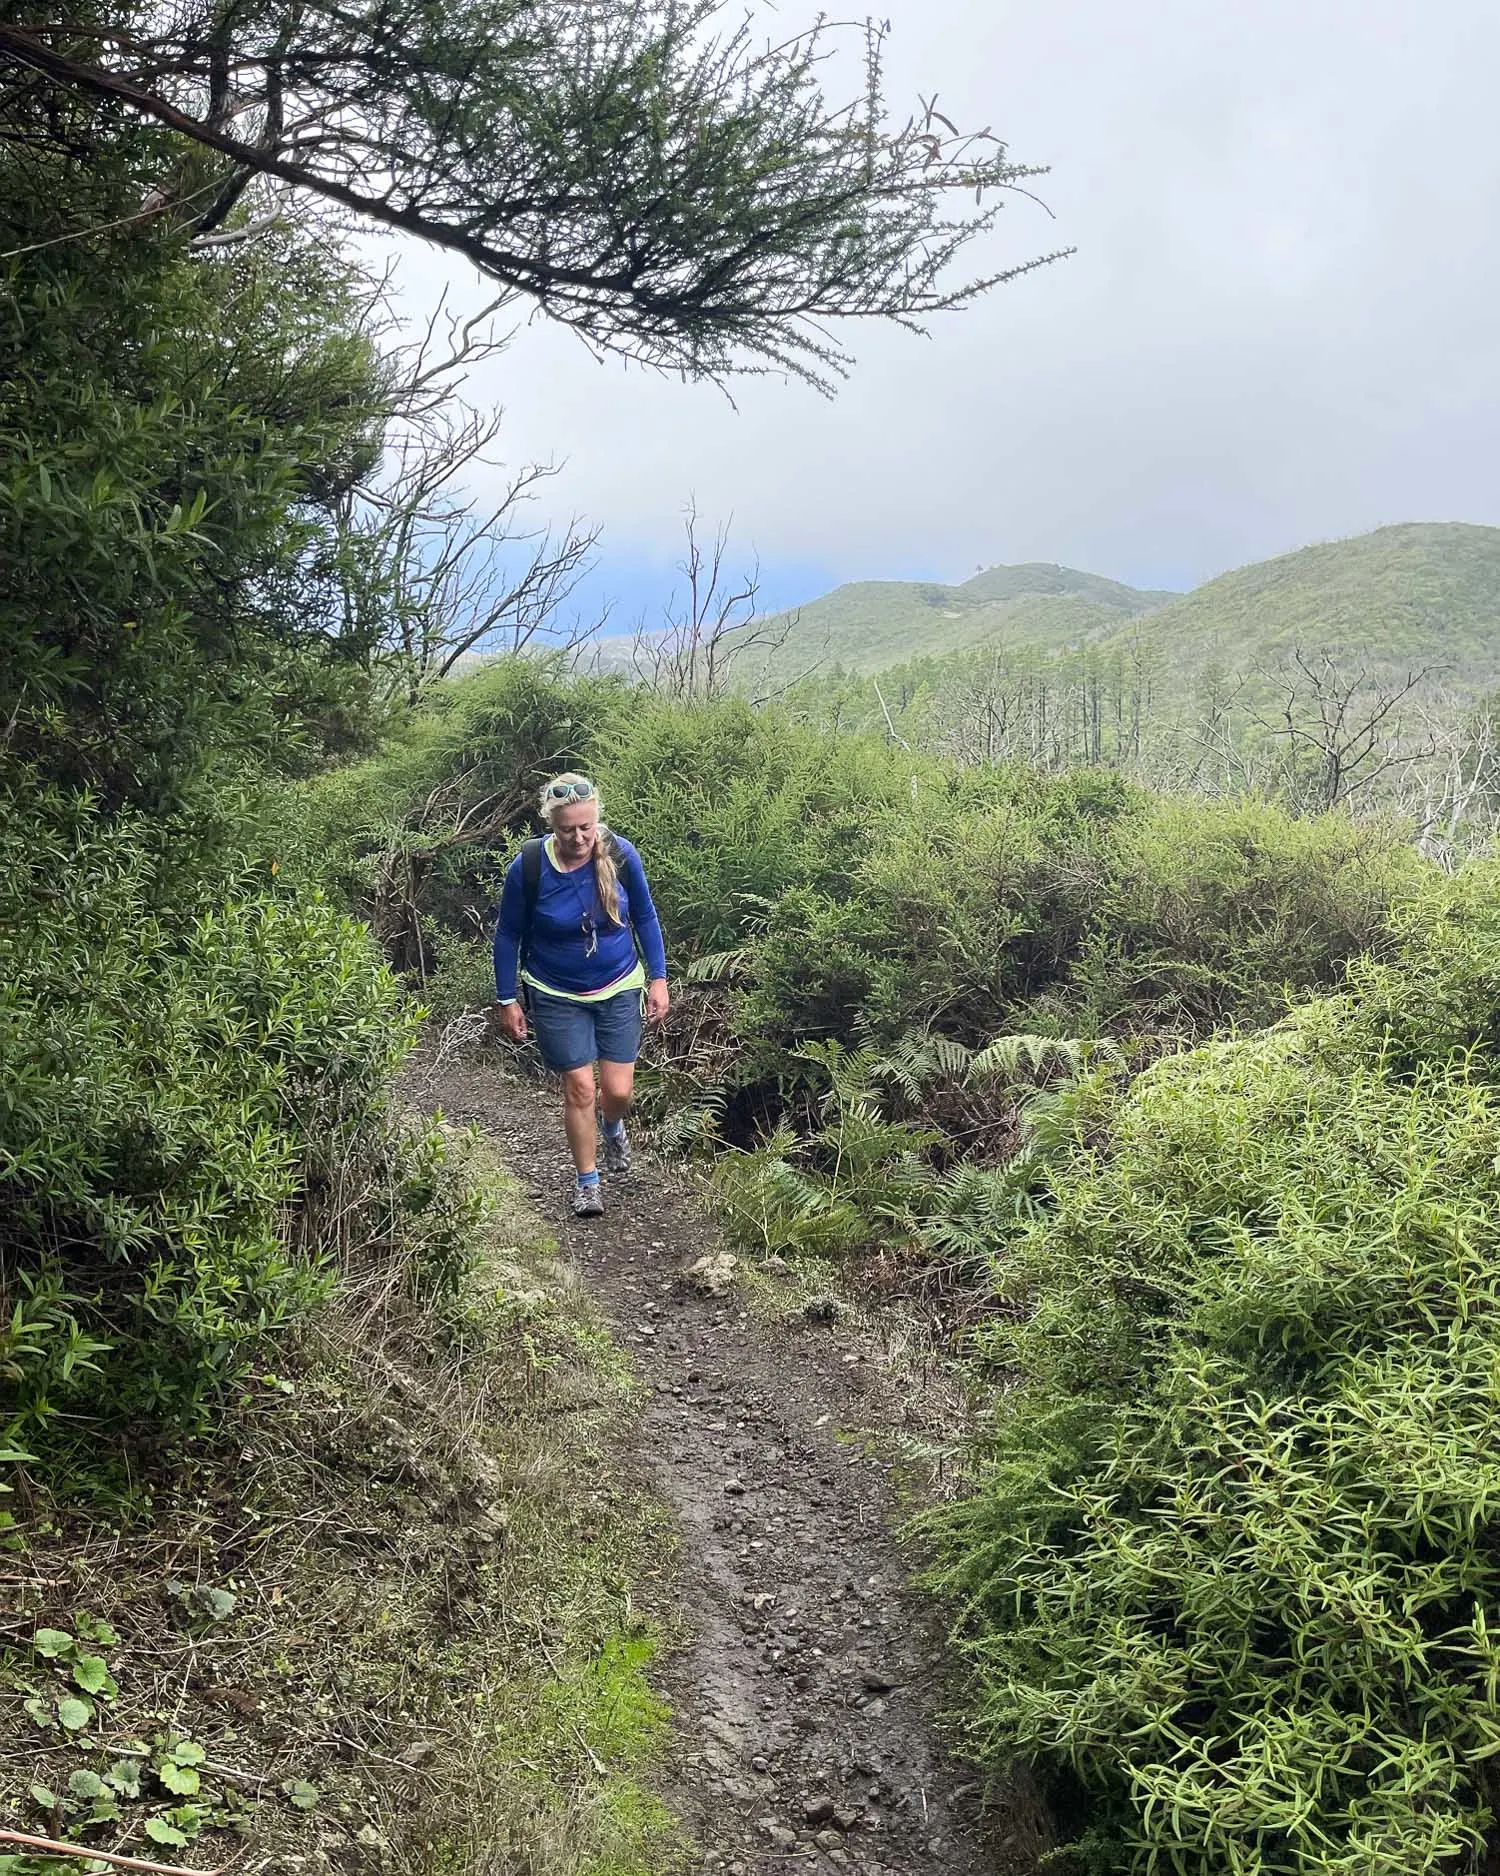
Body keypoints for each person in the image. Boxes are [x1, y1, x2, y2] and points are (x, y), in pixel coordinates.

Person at [492, 773, 669, 1215]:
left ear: (597, 821)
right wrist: (506, 997)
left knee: (618, 1091)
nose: (578, 838)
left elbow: (645, 917)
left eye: (586, 828)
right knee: (579, 1087)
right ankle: (587, 1182)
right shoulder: (529, 867)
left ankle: (613, 1127)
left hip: (618, 983)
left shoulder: (622, 855)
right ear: (552, 825)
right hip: (554, 990)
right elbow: (508, 933)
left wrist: (659, 978)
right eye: (567, 829)